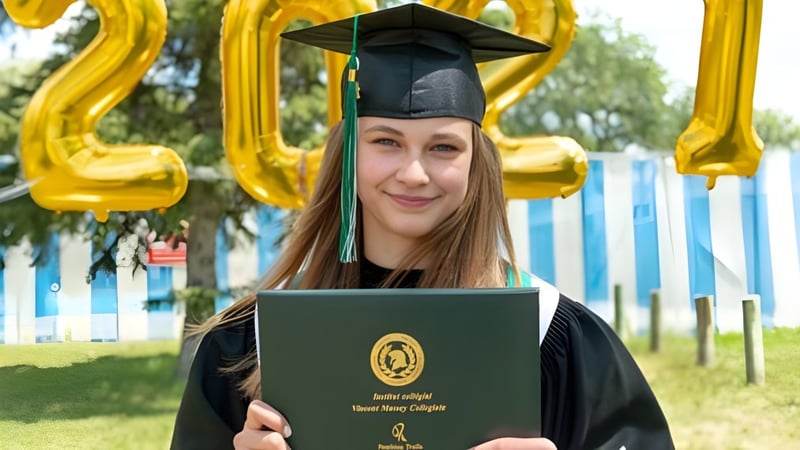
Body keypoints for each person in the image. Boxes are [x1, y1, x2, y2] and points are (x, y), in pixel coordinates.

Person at [171, 3, 674, 449]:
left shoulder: (553, 337)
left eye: (443, 147)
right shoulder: (249, 341)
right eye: (386, 141)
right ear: (347, 156)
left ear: (477, 163)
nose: (413, 173)